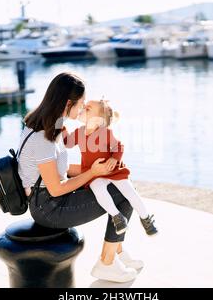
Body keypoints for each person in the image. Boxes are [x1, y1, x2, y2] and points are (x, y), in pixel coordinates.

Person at [17, 72, 143, 283]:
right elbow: (56, 188)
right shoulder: (43, 137)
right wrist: (93, 173)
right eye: (82, 103)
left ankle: (116, 252)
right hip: (48, 208)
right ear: (68, 103)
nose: (84, 107)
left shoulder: (49, 125)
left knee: (121, 183)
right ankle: (107, 262)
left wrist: (103, 170)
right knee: (123, 194)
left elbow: (58, 170)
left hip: (47, 199)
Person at [62, 99, 158, 236]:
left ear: (98, 119)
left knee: (129, 191)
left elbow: (118, 146)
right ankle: (117, 217)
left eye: (87, 109)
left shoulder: (105, 133)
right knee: (98, 190)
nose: (82, 109)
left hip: (112, 170)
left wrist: (114, 158)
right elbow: (67, 143)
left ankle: (146, 218)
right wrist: (61, 125)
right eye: (84, 107)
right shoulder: (79, 132)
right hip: (94, 173)